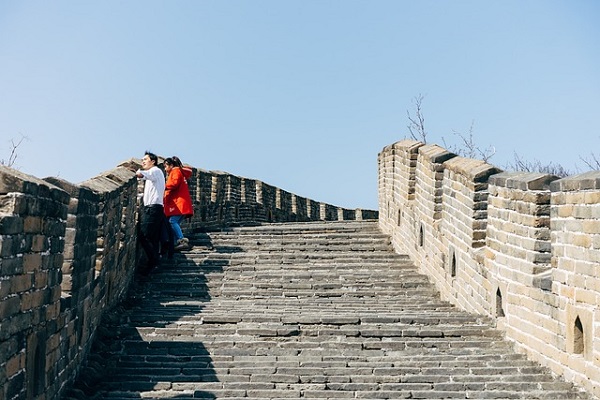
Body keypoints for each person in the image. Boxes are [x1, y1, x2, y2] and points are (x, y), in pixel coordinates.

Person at [136, 151, 166, 274]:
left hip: (153, 208)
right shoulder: (154, 174)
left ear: (153, 161)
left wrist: (138, 172)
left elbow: (141, 174)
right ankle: (153, 263)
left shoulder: (155, 171)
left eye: (145, 159)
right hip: (153, 207)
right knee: (152, 237)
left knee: (144, 236)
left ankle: (155, 261)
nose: (142, 161)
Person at [163, 156, 194, 250]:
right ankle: (176, 242)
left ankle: (181, 240)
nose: (165, 169)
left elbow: (174, 184)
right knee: (174, 223)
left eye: (165, 166)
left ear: (171, 165)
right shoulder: (180, 172)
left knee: (173, 221)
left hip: (179, 204)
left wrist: (162, 186)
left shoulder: (175, 171)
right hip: (181, 203)